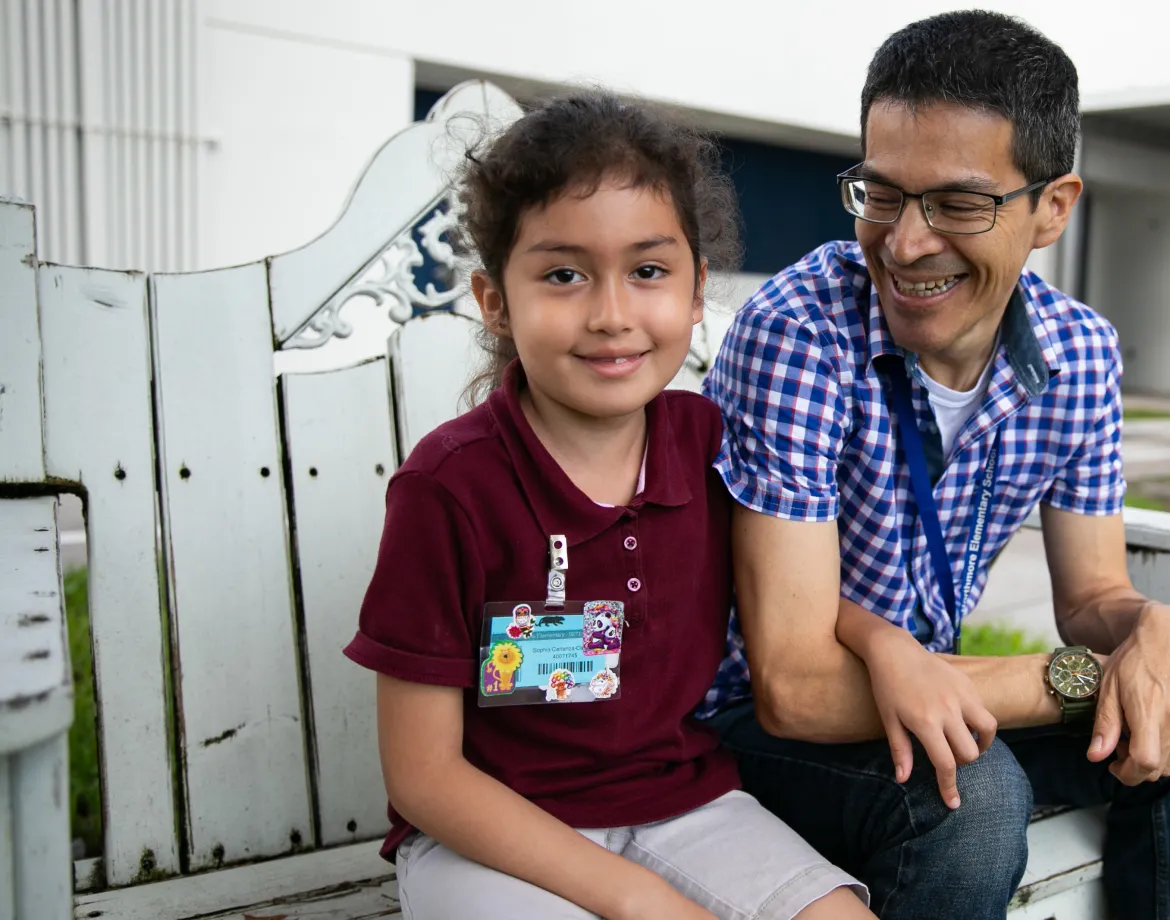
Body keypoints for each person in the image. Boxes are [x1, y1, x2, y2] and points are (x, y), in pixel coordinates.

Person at [699, 12, 1170, 919]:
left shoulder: (1079, 353)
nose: (906, 243)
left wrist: (1160, 632)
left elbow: (1092, 597)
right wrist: (1093, 677)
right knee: (971, 797)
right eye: (881, 193)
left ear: (1052, 209)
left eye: (958, 204)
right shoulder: (801, 328)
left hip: (919, 691)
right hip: (738, 723)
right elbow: (791, 687)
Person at [343, 91, 870, 920]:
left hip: (687, 805)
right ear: (494, 301)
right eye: (563, 275)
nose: (613, 314)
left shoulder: (712, 444)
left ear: (697, 291)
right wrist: (632, 899)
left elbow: (792, 591)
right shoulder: (450, 487)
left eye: (649, 271)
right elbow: (425, 776)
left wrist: (890, 648)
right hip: (487, 834)